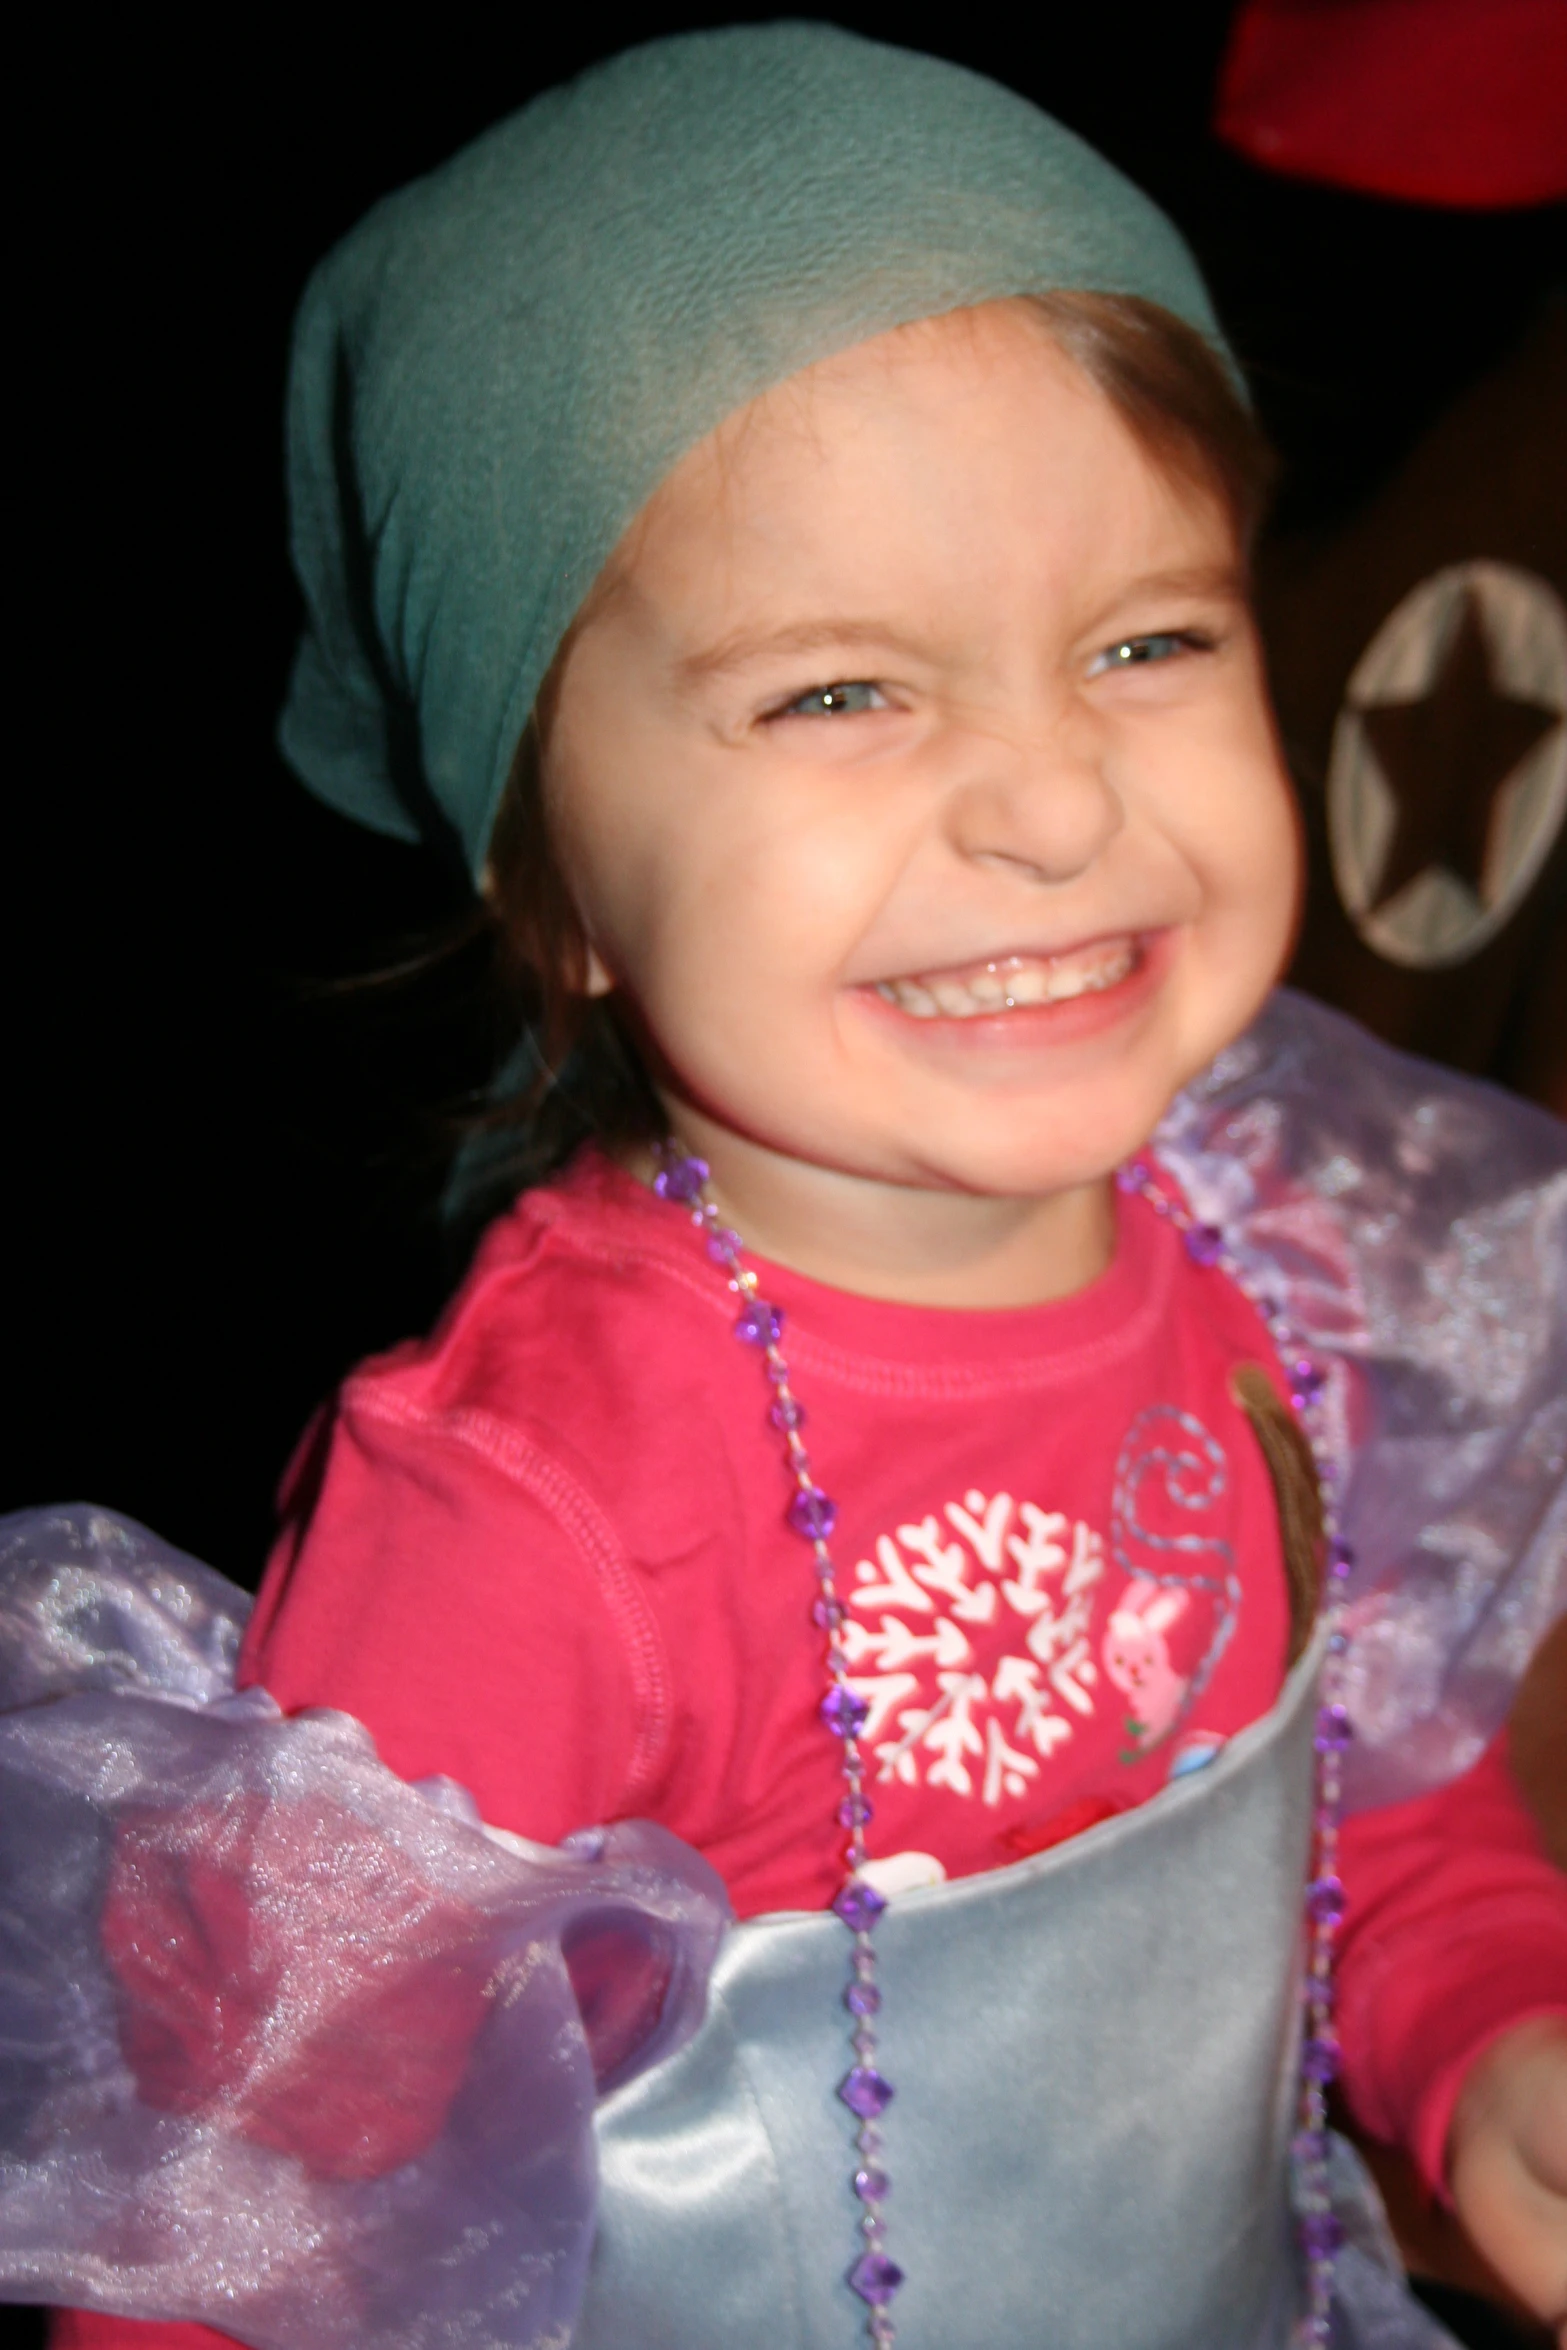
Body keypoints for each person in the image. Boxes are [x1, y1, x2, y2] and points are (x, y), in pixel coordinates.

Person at [22, 24, 1567, 2349]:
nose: (1051, 798)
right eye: (840, 693)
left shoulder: (1281, 1240)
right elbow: (248, 2240)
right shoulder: (538, 1516)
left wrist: (1486, 2039)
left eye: (1148, 640)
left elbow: (1368, 1802)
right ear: (557, 887)